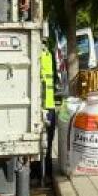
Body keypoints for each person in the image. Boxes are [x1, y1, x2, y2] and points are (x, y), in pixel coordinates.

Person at [39, 45, 57, 182]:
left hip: (45, 105)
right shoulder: (47, 53)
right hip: (46, 106)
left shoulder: (45, 53)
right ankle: (45, 174)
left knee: (45, 143)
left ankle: (42, 174)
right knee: (46, 143)